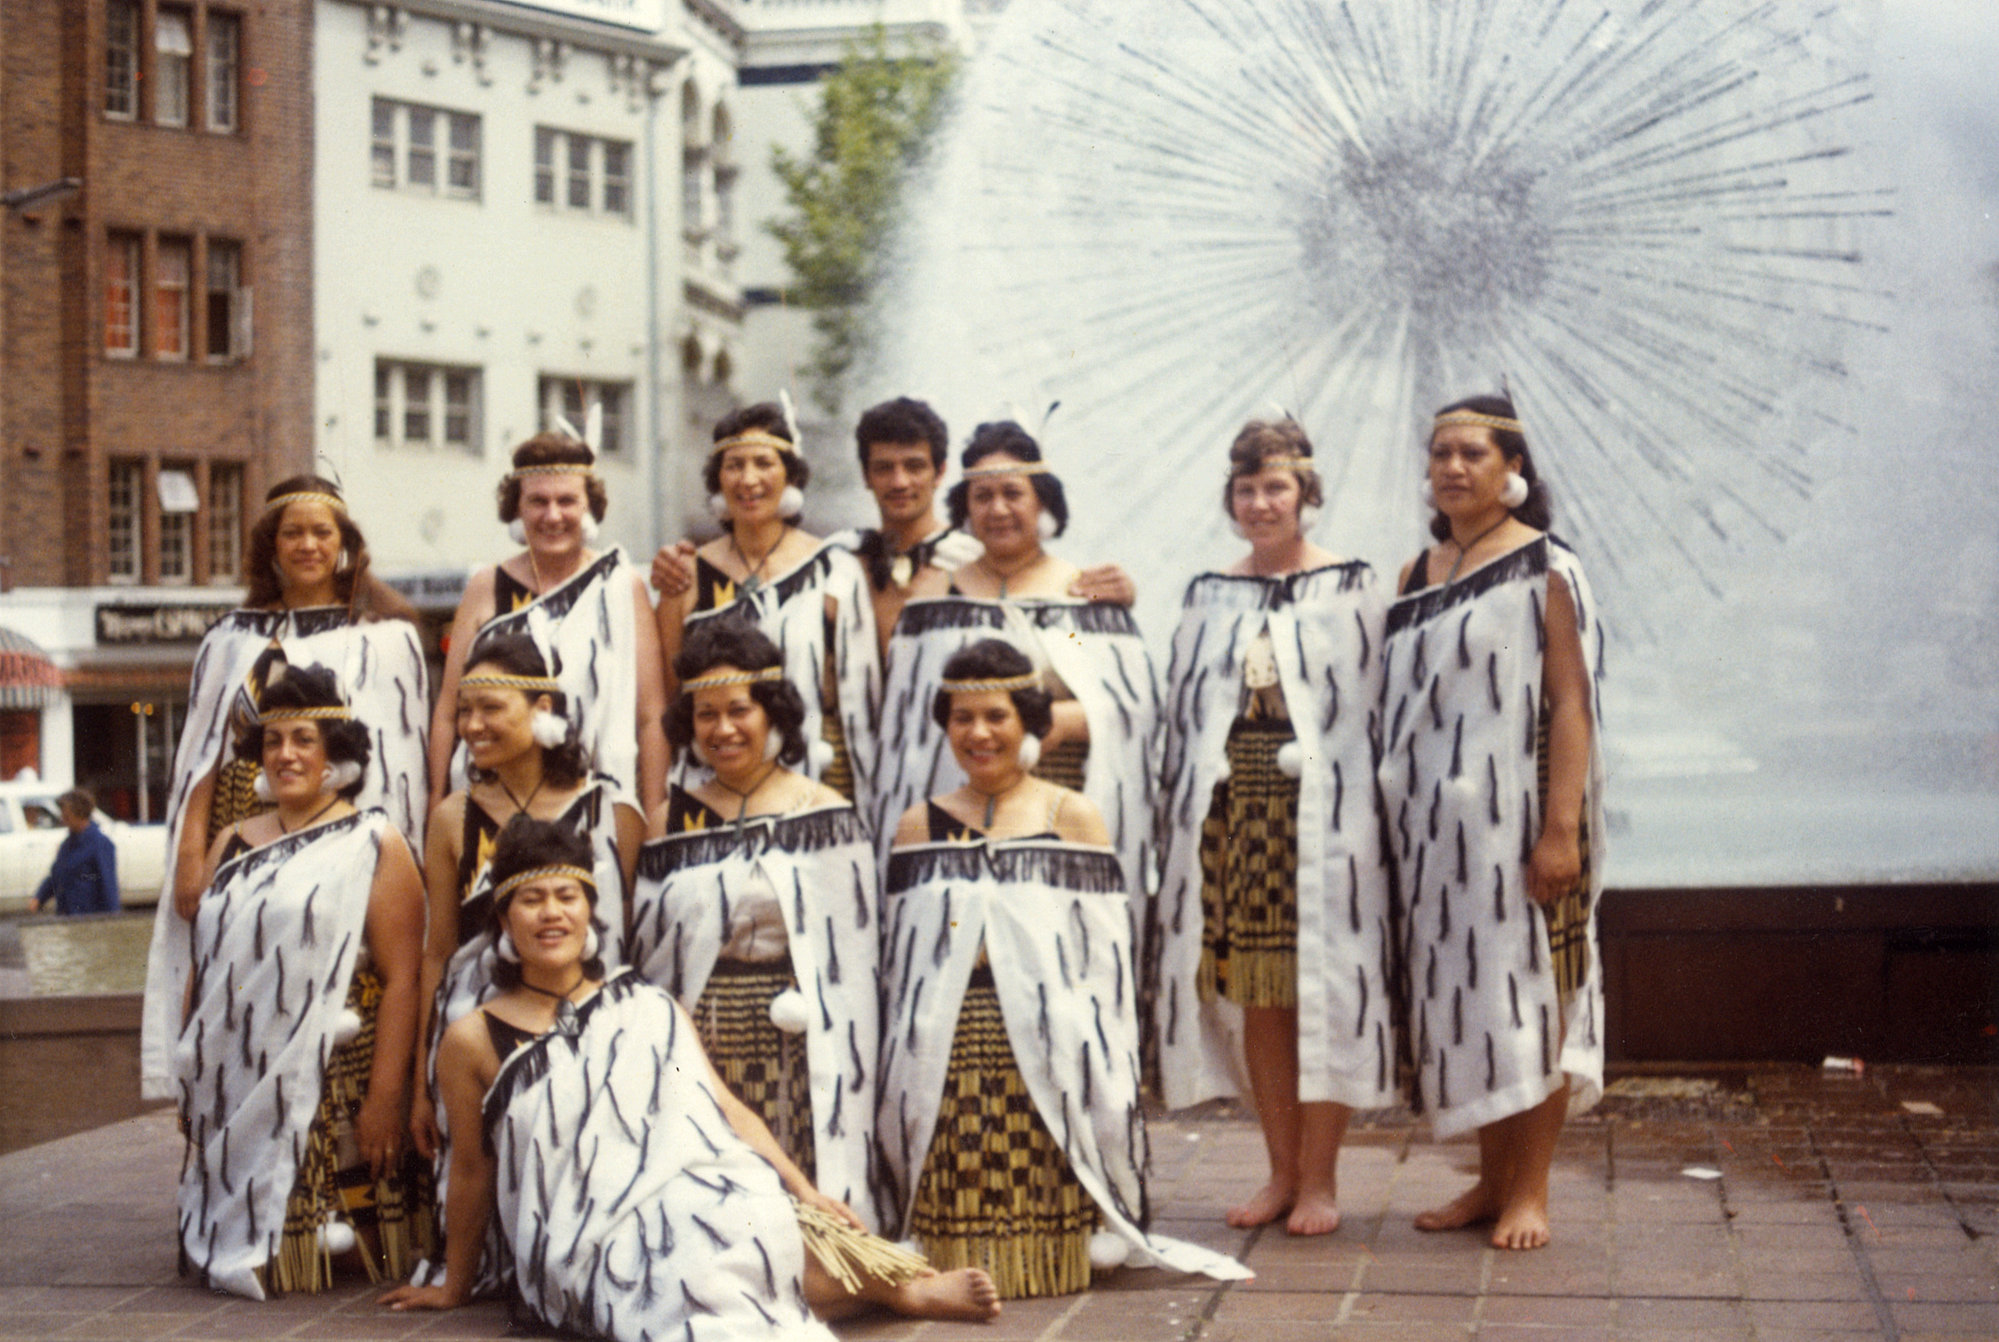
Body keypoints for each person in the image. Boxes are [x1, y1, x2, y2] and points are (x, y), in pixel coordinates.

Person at [379, 819, 1002, 1333]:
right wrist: (454, 1285)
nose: (551, 915)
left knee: (740, 1216)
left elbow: (728, 1111)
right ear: (505, 919)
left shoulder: (646, 1004)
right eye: (530, 899)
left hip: (686, 1185)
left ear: (589, 911)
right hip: (580, 1235)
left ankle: (904, 1288)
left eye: (566, 896)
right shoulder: (471, 1038)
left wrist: (806, 1193)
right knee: (682, 1265)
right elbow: (470, 1168)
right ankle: (894, 1292)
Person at [877, 640, 1249, 1298]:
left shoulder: (1067, 814)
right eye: (962, 719)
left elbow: (1099, 952)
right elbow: (908, 961)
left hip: (1050, 1031)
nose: (979, 733)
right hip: (950, 1032)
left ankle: (1047, 1257)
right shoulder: (919, 824)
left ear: (1027, 721)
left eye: (995, 716)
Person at [1153, 419, 1395, 1236]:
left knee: (1320, 988)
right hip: (1238, 815)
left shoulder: (1352, 586)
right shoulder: (1209, 594)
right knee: (1260, 996)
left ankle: (1322, 1181)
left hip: (1326, 817)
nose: (1261, 504)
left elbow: (1375, 713)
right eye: (1247, 490)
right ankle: (1279, 1172)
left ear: (1306, 496)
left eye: (1276, 489)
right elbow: (1183, 716)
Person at [1378, 394, 1607, 1251]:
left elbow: (1570, 703)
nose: (1451, 467)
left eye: (1471, 452)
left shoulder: (1547, 566)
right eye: (1439, 452)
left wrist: (1560, 832)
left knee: (1535, 997)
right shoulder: (1415, 572)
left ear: (1513, 468)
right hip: (1436, 839)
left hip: (1521, 825)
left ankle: (1531, 1191)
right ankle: (1487, 1179)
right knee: (1470, 996)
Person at [141, 476, 428, 1104]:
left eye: (321, 532)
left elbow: (402, 764)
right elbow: (202, 759)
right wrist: (191, 854)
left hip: (336, 828)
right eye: (291, 532)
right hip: (239, 825)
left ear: (344, 543)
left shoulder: (382, 638)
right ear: (270, 544)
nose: (306, 545)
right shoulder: (229, 638)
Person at [172, 665, 430, 1298]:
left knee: (331, 1268)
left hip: (336, 1065)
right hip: (239, 1066)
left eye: (304, 740)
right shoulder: (232, 839)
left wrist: (384, 1098)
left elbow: (404, 978)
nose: (286, 754)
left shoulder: (374, 840)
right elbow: (206, 964)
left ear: (334, 753)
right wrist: (192, 1072)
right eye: (272, 741)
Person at [628, 621, 882, 1225]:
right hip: (703, 1030)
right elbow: (650, 950)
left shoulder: (822, 812)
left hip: (798, 1036)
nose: (723, 729)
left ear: (773, 714)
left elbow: (853, 960)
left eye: (739, 710)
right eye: (705, 714)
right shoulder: (668, 820)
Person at [872, 421, 1160, 908]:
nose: (998, 509)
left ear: (1042, 502)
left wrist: (1063, 722)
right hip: (958, 800)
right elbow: (906, 734)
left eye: (1013, 493)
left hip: (1061, 799)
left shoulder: (1080, 595)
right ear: (965, 507)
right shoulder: (934, 597)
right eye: (982, 496)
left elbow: (1135, 713)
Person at [409, 635, 642, 1195]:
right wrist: (422, 1079)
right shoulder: (451, 818)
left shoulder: (610, 810)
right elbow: (438, 951)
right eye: (464, 711)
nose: (471, 725)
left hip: (586, 1036)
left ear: (543, 710)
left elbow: (628, 944)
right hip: (476, 1041)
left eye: (491, 708)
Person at [652, 403, 880, 803]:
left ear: (790, 474)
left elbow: (859, 707)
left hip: (807, 783)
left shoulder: (833, 569)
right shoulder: (685, 574)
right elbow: (672, 697)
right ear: (717, 478)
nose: (748, 479)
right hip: (709, 786)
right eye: (734, 465)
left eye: (764, 462)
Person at [429, 431, 667, 814]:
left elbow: (651, 715)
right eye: (537, 501)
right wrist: (435, 805)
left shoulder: (622, 585)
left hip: (595, 803)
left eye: (567, 500)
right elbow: (447, 711)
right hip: (490, 801)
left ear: (589, 507)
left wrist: (653, 812)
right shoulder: (485, 586)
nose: (552, 515)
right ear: (517, 509)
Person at [32, 789, 120, 915]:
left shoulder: (100, 844)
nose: (63, 819)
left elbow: (108, 887)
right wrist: (39, 897)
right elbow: (57, 875)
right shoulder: (66, 845)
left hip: (89, 920)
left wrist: (112, 921)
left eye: (66, 815)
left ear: (80, 813)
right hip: (67, 917)